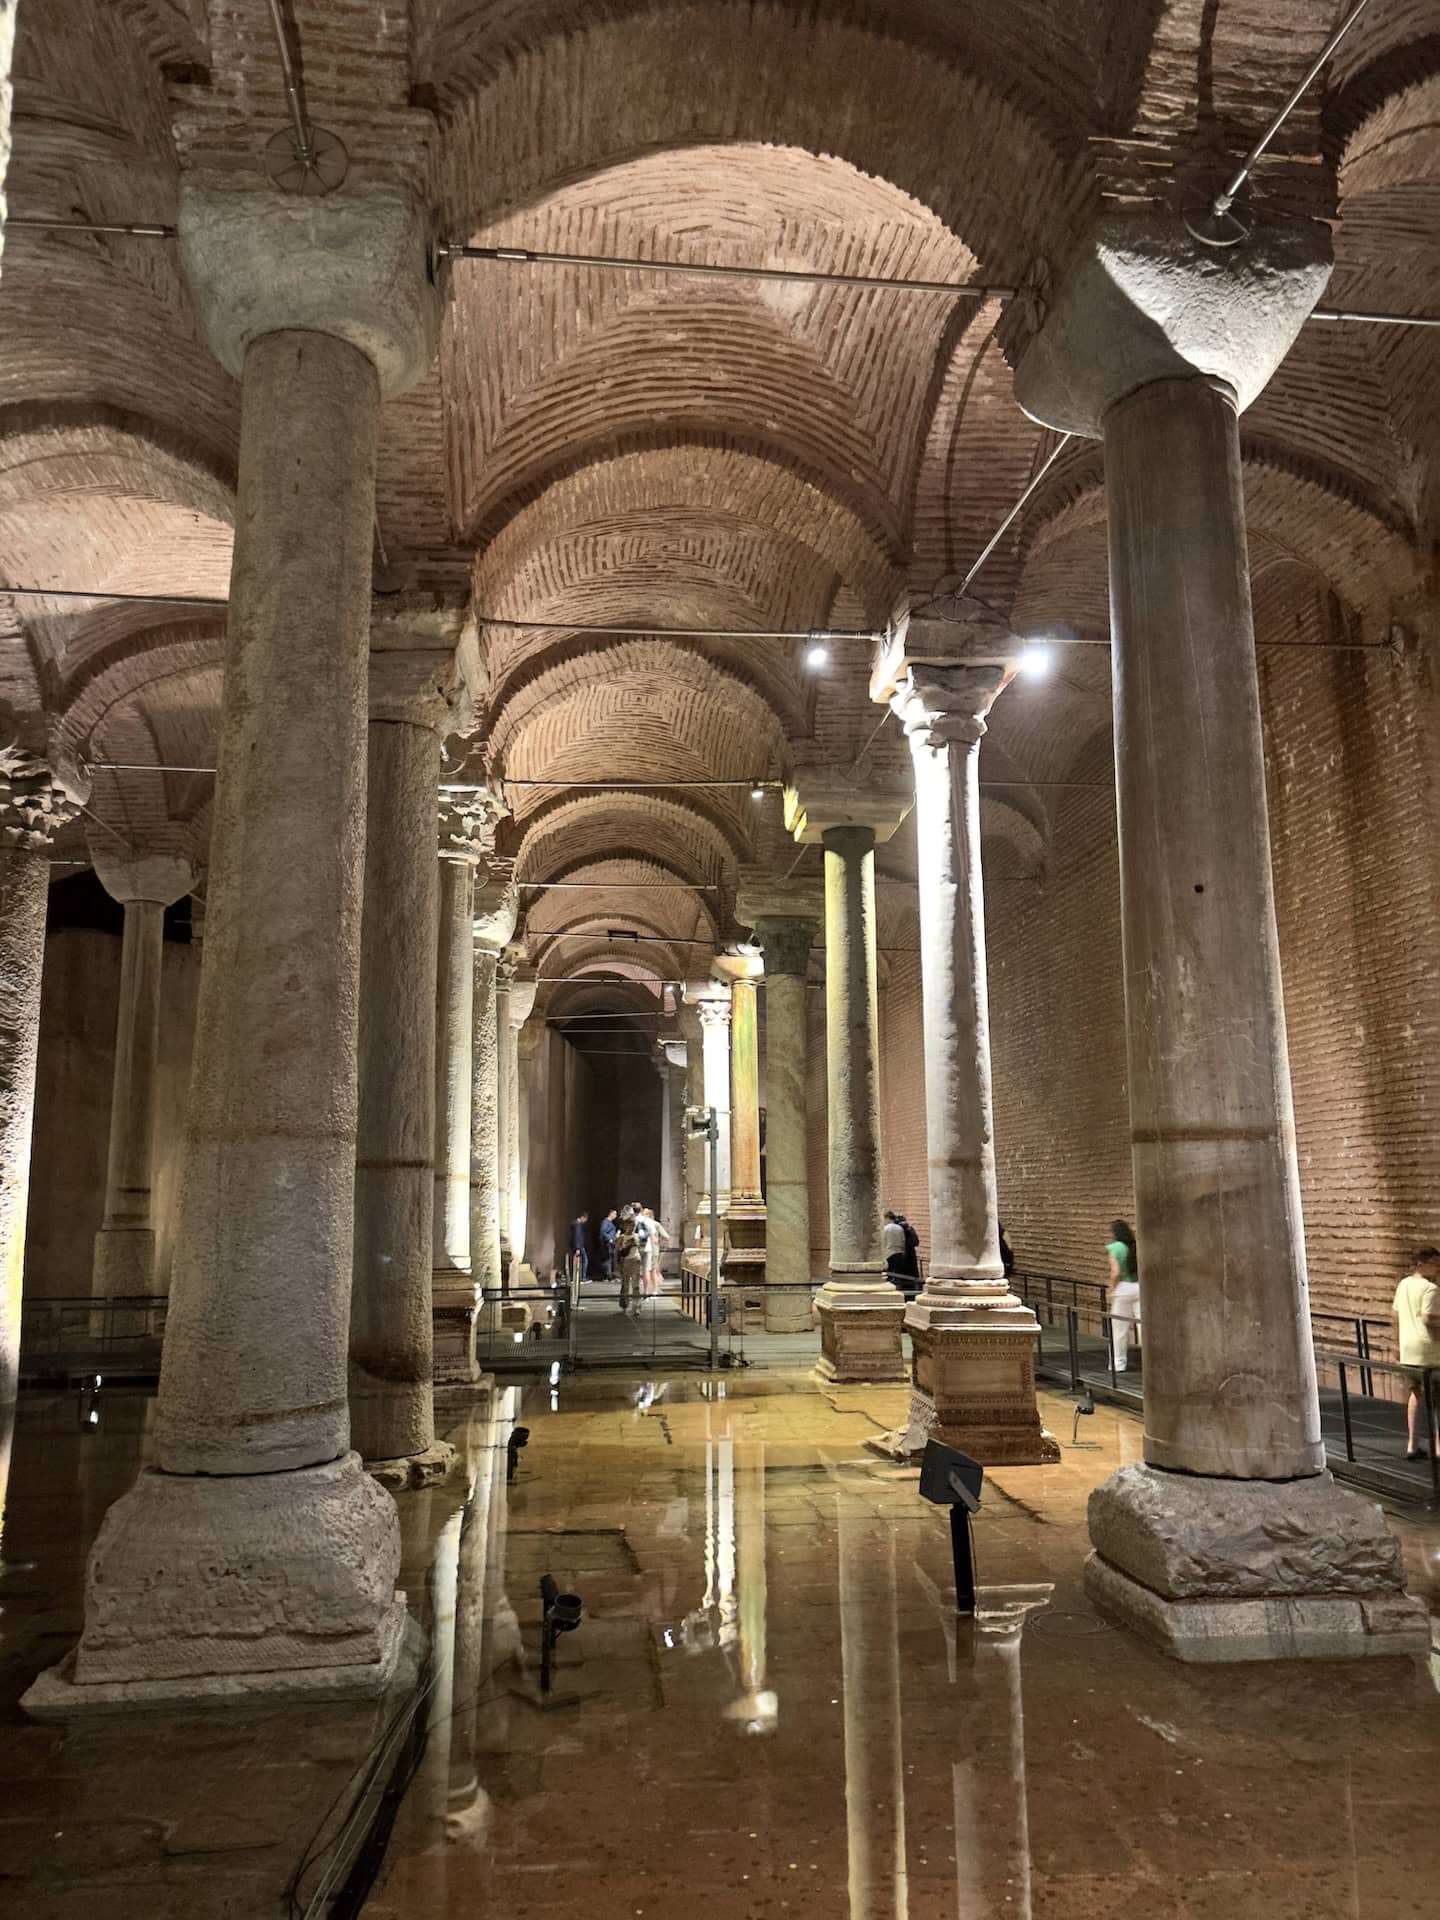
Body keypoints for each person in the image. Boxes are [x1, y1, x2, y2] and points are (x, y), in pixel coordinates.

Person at [1393, 1245, 1440, 1459]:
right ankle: (1438, 1447)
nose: (1438, 1269)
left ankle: (1412, 1443)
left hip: (1408, 1351)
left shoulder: (1403, 1285)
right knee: (1438, 1399)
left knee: (1415, 1393)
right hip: (1429, 1352)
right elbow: (1428, 1318)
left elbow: (1395, 1315)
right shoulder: (1430, 1289)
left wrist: (1396, 1344)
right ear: (1422, 1263)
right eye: (1436, 1264)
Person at [1105, 1218, 1139, 1373]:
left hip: (1123, 1289)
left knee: (1119, 1329)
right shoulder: (1136, 1245)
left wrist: (1111, 1288)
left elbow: (1115, 1272)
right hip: (1140, 1287)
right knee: (1143, 1327)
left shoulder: (1115, 1248)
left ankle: (1118, 1364)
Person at [616, 1212, 644, 1316]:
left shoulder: (637, 1236)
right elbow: (617, 1251)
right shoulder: (622, 1237)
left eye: (633, 1225)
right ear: (625, 1226)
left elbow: (641, 1248)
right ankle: (624, 1306)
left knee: (636, 1285)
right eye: (629, 1225)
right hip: (626, 1261)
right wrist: (617, 1264)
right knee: (625, 1285)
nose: (631, 1228)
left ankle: (637, 1307)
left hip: (636, 1260)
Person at [882, 1210, 908, 1287]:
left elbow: (883, 1241)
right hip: (899, 1252)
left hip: (889, 1253)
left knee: (889, 1274)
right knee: (898, 1273)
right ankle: (899, 1287)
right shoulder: (900, 1228)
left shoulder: (885, 1228)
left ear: (887, 1218)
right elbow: (903, 1241)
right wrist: (903, 1251)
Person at [569, 1211, 589, 1285]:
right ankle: (582, 1277)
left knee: (577, 1261)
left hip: (577, 1245)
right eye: (585, 1220)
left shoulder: (575, 1224)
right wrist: (577, 1248)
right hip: (579, 1246)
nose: (585, 1222)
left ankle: (577, 1277)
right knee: (584, 1260)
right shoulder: (577, 1225)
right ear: (583, 1218)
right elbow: (577, 1236)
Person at [598, 1208, 619, 1280]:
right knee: (607, 1259)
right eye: (615, 1214)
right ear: (611, 1214)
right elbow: (603, 1232)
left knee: (610, 1259)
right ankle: (608, 1275)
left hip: (612, 1243)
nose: (616, 1216)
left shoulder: (611, 1223)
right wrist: (609, 1239)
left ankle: (609, 1274)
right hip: (607, 1244)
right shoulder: (605, 1222)